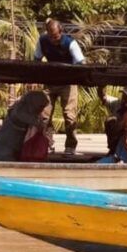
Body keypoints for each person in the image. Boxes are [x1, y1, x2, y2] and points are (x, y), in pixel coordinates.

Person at [33, 18, 85, 155]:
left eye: (55, 37)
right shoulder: (42, 41)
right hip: (50, 81)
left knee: (69, 115)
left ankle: (71, 145)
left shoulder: (70, 43)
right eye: (50, 36)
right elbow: (36, 59)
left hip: (68, 83)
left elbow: (81, 62)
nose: (53, 40)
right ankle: (46, 143)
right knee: (44, 115)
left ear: (61, 32)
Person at [0, 91, 51, 162]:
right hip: (4, 148)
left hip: (14, 147)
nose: (42, 109)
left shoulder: (23, 110)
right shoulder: (18, 112)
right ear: (34, 104)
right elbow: (35, 123)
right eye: (41, 106)